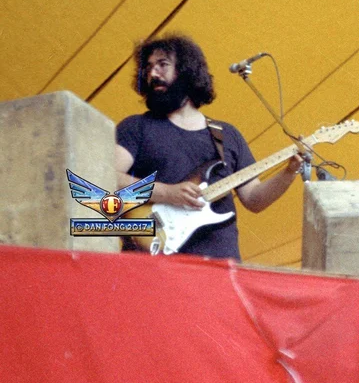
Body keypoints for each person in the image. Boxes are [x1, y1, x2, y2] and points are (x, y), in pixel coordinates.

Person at [115, 33, 302, 260]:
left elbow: (254, 199)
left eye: (162, 65)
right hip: (156, 263)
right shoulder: (137, 127)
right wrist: (167, 193)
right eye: (148, 68)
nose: (152, 73)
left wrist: (289, 172)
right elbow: (106, 176)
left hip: (220, 264)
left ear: (186, 70)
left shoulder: (227, 135)